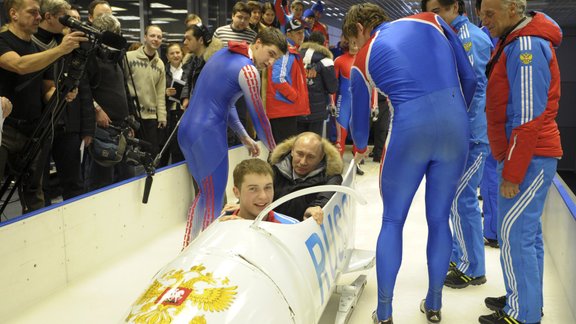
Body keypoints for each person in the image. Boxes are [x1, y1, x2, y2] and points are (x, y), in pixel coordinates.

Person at [343, 4, 477, 323]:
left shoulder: (361, 61)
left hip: (409, 131)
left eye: (353, 40)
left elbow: (360, 134)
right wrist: (452, 116)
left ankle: (385, 311)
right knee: (439, 218)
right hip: (456, 126)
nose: (354, 48)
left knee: (392, 221)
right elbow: (470, 78)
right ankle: (434, 305)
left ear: (361, 28)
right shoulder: (433, 21)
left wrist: (361, 145)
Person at [478, 1, 563, 323]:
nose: (485, 21)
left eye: (490, 14)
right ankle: (523, 298)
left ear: (513, 9)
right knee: (524, 234)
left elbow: (529, 116)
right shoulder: (513, 41)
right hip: (524, 154)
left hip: (529, 157)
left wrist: (512, 173)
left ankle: (523, 314)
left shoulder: (526, 45)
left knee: (515, 235)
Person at [178, 27, 287, 248]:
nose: (271, 62)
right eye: (271, 53)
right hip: (208, 135)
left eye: (277, 58)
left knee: (204, 194)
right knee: (214, 198)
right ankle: (206, 253)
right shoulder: (249, 71)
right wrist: (275, 149)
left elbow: (222, 102)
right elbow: (259, 117)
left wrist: (243, 136)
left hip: (187, 130)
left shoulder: (222, 54)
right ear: (257, 43)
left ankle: (188, 247)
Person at [422, 0, 494, 289]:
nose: (434, 17)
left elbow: (472, 89)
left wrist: (460, 129)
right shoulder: (451, 36)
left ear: (455, 7)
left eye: (437, 11)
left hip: (471, 136)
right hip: (459, 135)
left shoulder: (469, 38)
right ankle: (460, 254)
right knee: (454, 198)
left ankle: (473, 267)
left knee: (462, 198)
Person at [0, 0, 86, 214]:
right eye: (32, 13)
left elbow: (46, 89)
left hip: (33, 130)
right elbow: (18, 65)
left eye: (39, 13)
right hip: (4, 130)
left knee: (34, 192)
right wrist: (60, 50)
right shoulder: (2, 41)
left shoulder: (37, 49)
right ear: (14, 14)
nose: (39, 17)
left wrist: (62, 94)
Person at [32, 0, 92, 203]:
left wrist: (86, 128)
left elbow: (82, 87)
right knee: (39, 186)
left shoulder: (68, 42)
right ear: (48, 17)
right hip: (38, 123)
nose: (70, 23)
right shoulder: (31, 42)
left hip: (67, 123)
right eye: (66, 18)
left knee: (74, 182)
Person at [81, 13, 134, 191]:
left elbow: (123, 90)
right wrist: (97, 110)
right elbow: (83, 88)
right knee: (100, 183)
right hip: (102, 128)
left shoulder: (115, 58)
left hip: (121, 128)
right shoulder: (89, 55)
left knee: (126, 179)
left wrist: (130, 119)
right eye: (114, 33)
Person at [269, 132, 342, 223]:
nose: (303, 162)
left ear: (321, 157)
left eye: (311, 157)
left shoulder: (331, 177)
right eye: (299, 154)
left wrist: (313, 209)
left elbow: (324, 198)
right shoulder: (273, 169)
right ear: (292, 151)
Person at [125, 25, 167, 157]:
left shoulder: (160, 64)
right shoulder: (128, 57)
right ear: (145, 37)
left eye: (159, 37)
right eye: (152, 36)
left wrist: (162, 115)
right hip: (131, 116)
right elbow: (122, 85)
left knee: (151, 155)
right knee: (130, 156)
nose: (156, 39)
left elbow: (160, 92)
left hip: (151, 118)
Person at [265, 19, 310, 144]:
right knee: (283, 151)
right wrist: (294, 97)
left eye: (303, 32)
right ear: (288, 34)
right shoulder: (286, 50)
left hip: (284, 109)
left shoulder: (290, 50)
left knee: (281, 151)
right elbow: (278, 79)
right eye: (298, 33)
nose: (302, 36)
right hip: (283, 109)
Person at [219, 158, 299, 224]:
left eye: (268, 187)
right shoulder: (221, 227)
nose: (263, 196)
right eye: (253, 189)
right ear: (236, 192)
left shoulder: (291, 227)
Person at [298, 31, 337, 137]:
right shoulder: (326, 60)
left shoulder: (296, 56)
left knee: (298, 142)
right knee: (313, 143)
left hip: (297, 109)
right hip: (317, 111)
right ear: (323, 44)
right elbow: (332, 88)